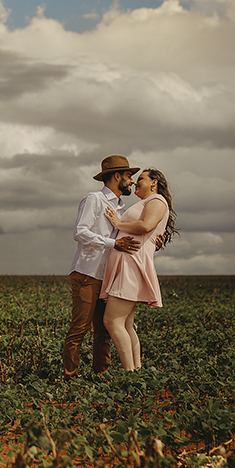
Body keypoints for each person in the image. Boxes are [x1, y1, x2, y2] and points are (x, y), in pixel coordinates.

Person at [63, 155, 143, 378]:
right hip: (87, 273)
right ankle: (70, 378)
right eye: (129, 176)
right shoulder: (94, 199)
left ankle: (102, 376)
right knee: (79, 328)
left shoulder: (121, 208)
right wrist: (113, 243)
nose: (132, 181)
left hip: (107, 276)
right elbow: (80, 232)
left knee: (104, 330)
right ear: (116, 176)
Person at [99, 168, 179, 371]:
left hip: (132, 264)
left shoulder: (157, 201)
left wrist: (118, 223)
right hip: (127, 263)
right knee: (125, 325)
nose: (135, 182)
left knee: (111, 321)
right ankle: (136, 372)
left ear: (154, 182)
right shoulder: (146, 202)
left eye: (141, 179)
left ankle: (129, 374)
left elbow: (146, 226)